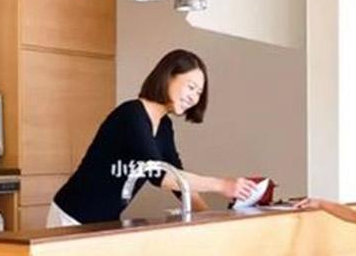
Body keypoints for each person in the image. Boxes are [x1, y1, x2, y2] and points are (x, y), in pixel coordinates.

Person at [48, 48, 256, 225]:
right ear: (168, 77)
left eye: (199, 93)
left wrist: (208, 216)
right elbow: (160, 176)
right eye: (191, 87)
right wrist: (222, 185)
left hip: (102, 221)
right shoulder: (131, 114)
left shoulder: (164, 125)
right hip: (72, 216)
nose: (194, 97)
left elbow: (177, 176)